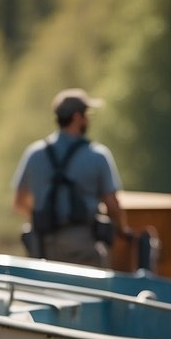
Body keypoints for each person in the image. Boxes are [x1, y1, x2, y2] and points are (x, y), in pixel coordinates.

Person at [12, 88, 125, 267]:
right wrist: (122, 231)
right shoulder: (98, 155)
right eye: (87, 114)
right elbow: (112, 204)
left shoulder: (33, 154)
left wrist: (44, 218)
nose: (89, 119)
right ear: (77, 117)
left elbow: (19, 201)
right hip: (83, 247)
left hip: (42, 247)